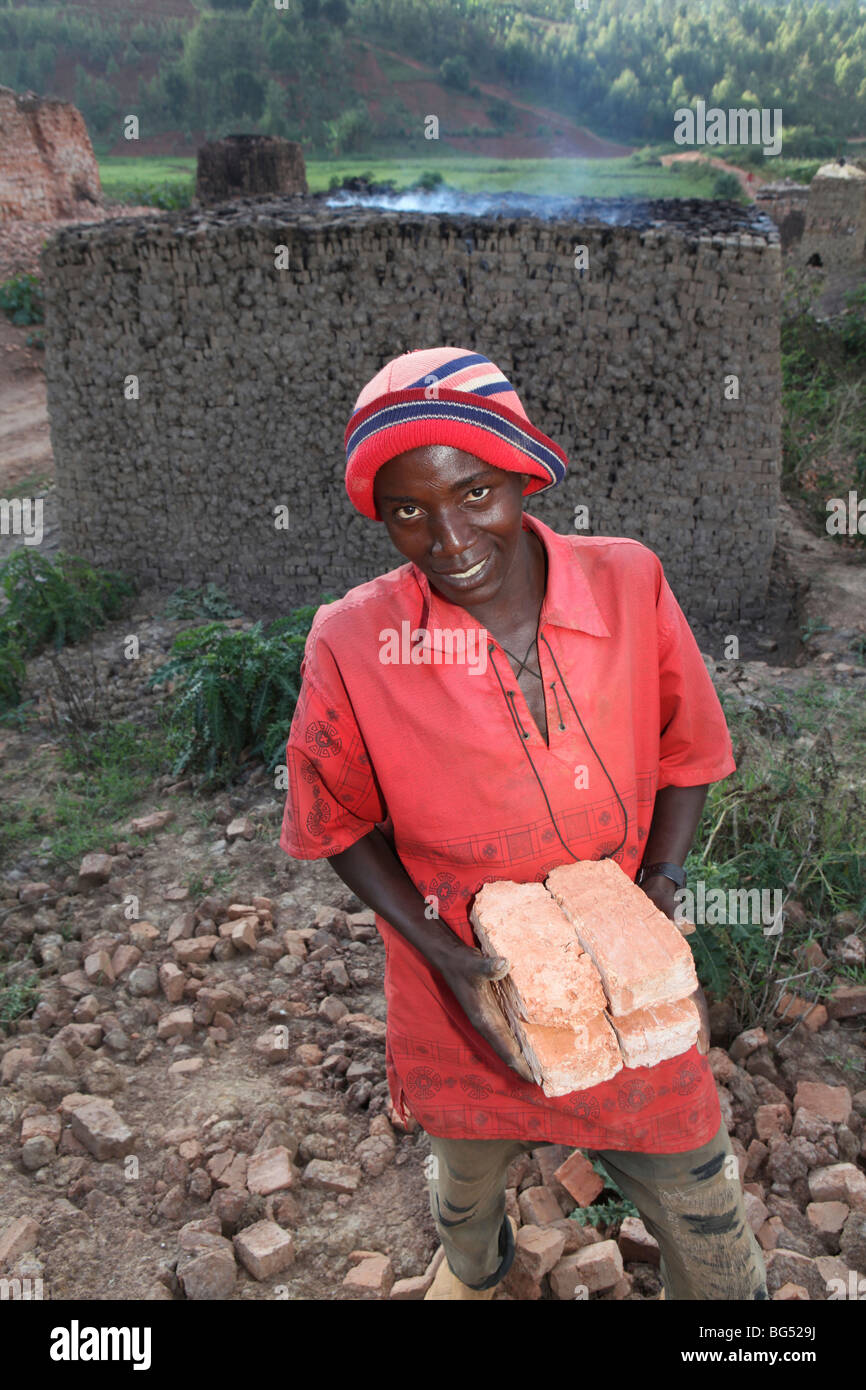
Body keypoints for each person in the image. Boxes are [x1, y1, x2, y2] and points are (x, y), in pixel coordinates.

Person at [279, 346, 768, 1301]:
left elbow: (687, 749)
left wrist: (656, 893)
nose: (448, 536)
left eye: (476, 493)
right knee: (465, 1188)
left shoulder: (628, 583)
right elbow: (331, 817)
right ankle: (478, 1268)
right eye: (408, 511)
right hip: (460, 987)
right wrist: (442, 953)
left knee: (700, 1206)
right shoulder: (353, 641)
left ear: (523, 475)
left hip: (630, 991)